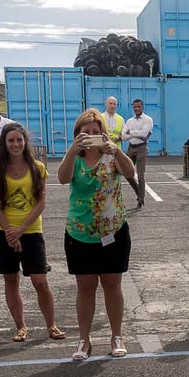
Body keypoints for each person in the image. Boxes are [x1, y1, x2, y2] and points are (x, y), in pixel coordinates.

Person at [58, 108, 136, 360]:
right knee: (85, 287)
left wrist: (117, 150)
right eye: (85, 132)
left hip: (113, 230)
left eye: (96, 131)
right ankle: (84, 340)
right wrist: (72, 149)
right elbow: (62, 178)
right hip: (80, 233)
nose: (91, 136)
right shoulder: (76, 157)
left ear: (103, 133)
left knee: (112, 285)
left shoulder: (111, 155)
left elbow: (131, 172)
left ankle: (116, 335)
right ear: (78, 134)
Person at [0, 123, 64, 343]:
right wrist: (9, 232)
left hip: (31, 231)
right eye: (11, 140)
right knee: (10, 280)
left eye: (19, 140)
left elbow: (41, 202)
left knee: (40, 280)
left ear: (25, 142)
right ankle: (21, 327)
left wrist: (21, 230)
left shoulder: (37, 167)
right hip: (4, 232)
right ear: (4, 143)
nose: (15, 144)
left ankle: (51, 325)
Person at [120, 98, 152, 209]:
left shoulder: (148, 120)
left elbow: (144, 134)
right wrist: (135, 135)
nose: (137, 108)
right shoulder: (129, 121)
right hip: (131, 148)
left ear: (142, 107)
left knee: (140, 175)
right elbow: (123, 136)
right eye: (135, 107)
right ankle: (139, 192)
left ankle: (141, 200)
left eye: (138, 106)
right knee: (126, 172)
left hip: (141, 148)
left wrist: (131, 132)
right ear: (133, 107)